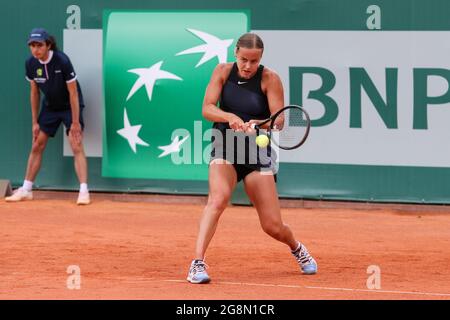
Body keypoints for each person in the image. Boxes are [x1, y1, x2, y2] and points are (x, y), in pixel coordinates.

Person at [187, 33, 317, 284]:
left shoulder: (270, 79)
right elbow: (207, 108)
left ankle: (297, 248)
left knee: (272, 226)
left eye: (254, 61)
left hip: (257, 153)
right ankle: (197, 263)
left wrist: (259, 123)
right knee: (218, 199)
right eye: (244, 59)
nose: (248, 66)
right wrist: (230, 118)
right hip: (225, 146)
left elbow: (279, 121)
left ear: (261, 59)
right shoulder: (222, 72)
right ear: (235, 53)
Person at [5, 28, 90, 205]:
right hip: (50, 107)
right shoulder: (30, 64)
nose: (36, 49)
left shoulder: (62, 61)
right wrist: (35, 121)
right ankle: (27, 189)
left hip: (69, 106)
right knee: (37, 144)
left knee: (76, 143)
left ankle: (83, 191)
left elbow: (73, 93)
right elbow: (34, 92)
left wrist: (75, 122)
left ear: (48, 45)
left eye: (39, 45)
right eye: (32, 46)